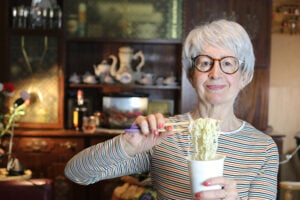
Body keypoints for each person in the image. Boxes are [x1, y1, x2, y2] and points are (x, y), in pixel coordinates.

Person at [64, 19, 279, 200]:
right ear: (191, 76)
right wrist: (125, 145)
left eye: (228, 63)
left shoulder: (263, 148)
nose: (215, 73)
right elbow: (77, 173)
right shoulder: (164, 134)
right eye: (204, 63)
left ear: (245, 76)